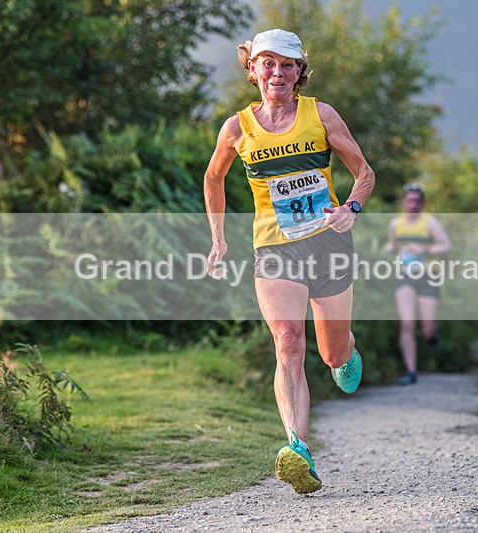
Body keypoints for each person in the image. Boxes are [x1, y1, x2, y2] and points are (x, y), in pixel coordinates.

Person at [203, 29, 375, 495]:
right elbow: (213, 177)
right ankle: (298, 449)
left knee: (331, 353)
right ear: (253, 69)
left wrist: (350, 208)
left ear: (300, 72)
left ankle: (346, 350)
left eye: (287, 65)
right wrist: (218, 238)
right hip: (275, 250)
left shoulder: (320, 114)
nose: (277, 72)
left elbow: (364, 171)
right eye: (268, 63)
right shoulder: (237, 128)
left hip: (329, 244)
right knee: (287, 341)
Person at [385, 184, 451, 385]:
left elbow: (446, 246)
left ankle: (431, 334)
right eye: (409, 200)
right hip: (405, 276)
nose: (412, 204)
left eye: (416, 201)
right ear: (404, 202)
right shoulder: (396, 224)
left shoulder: (430, 223)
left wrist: (424, 249)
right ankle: (411, 371)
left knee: (426, 328)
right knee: (406, 323)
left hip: (428, 277)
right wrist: (391, 248)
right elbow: (393, 246)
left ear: (422, 203)